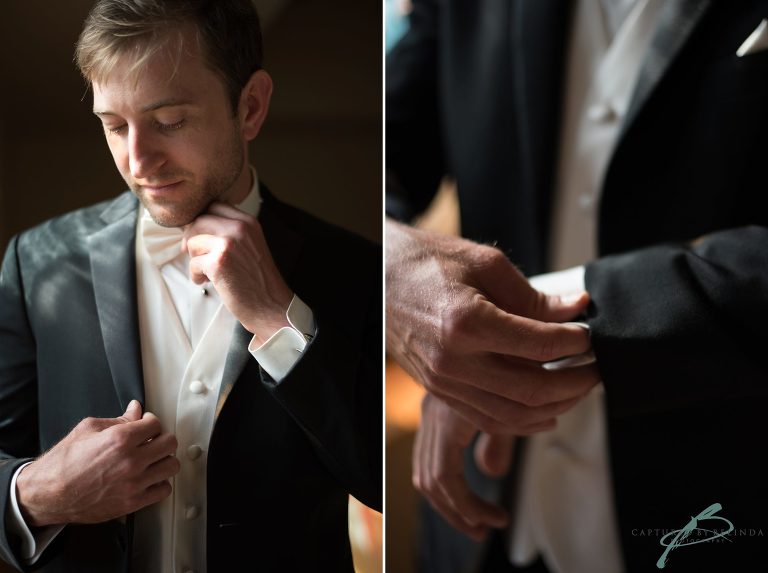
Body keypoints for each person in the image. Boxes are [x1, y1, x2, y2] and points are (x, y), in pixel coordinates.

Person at [386, 0, 768, 571]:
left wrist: (553, 314)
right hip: (479, 525)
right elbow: (389, 151)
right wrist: (392, 266)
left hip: (717, 515)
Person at [0, 1, 381, 571]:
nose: (138, 160)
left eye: (169, 120)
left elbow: (382, 480)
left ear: (250, 107)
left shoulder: (355, 269)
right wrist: (41, 490)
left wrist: (280, 319)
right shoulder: (39, 264)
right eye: (114, 125)